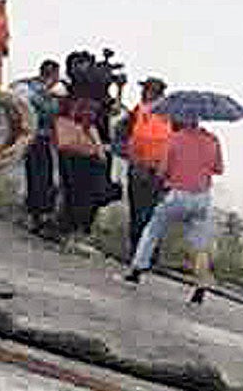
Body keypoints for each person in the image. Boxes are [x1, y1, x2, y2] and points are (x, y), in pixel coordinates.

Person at [124, 114, 225, 305]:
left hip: (177, 194)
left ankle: (136, 270)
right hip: (201, 198)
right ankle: (201, 285)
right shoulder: (212, 140)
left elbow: (163, 171)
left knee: (153, 230)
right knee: (199, 245)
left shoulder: (174, 140)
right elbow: (218, 169)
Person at [52, 52, 113, 238]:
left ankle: (66, 226)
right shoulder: (97, 98)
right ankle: (78, 230)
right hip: (92, 147)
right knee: (86, 192)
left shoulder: (71, 91)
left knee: (72, 188)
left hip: (71, 143)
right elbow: (95, 123)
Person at [115, 77, 172, 256]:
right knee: (152, 214)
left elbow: (120, 130)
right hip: (159, 171)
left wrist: (124, 152)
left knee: (139, 212)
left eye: (145, 90)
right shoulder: (173, 114)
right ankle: (147, 253)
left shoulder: (140, 111)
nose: (142, 93)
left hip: (142, 168)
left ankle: (138, 252)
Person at [10, 59, 63, 234]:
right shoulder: (39, 91)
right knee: (40, 178)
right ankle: (35, 216)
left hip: (33, 139)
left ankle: (34, 215)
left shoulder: (26, 86)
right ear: (52, 74)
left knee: (38, 177)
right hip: (38, 138)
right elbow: (49, 111)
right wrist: (53, 99)